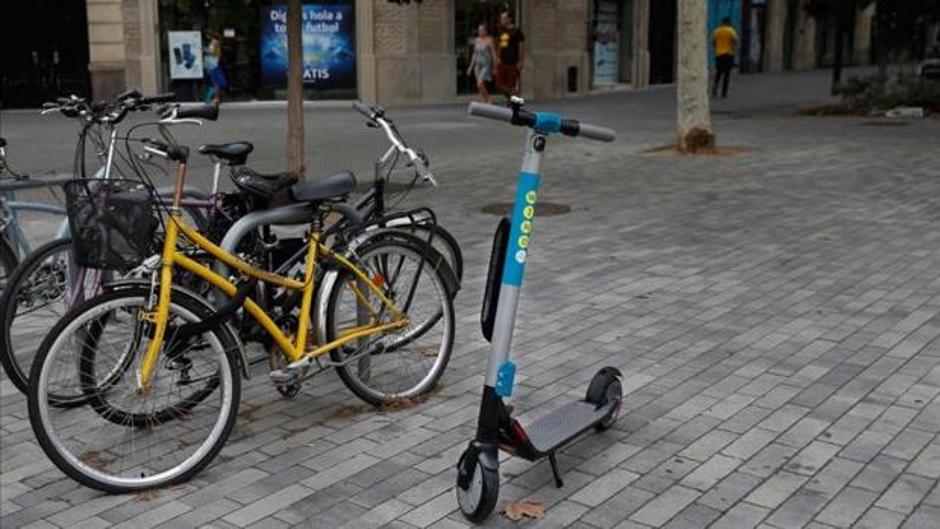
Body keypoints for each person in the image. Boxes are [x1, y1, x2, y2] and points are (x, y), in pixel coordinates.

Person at [495, 11, 525, 98]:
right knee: (499, 84)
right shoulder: (501, 31)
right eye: (501, 18)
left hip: (513, 62)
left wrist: (520, 61)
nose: (502, 20)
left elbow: (521, 46)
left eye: (504, 18)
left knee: (512, 86)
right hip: (502, 62)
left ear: (509, 19)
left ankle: (516, 105)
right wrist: (497, 57)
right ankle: (512, 100)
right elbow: (500, 45)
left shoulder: (516, 31)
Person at [467, 24, 499, 103]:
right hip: (478, 65)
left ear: (485, 31)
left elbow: (493, 53)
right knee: (481, 85)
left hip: (486, 64)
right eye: (479, 30)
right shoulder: (477, 40)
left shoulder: (489, 40)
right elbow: (475, 54)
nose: (480, 32)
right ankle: (483, 100)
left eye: (482, 30)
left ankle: (488, 99)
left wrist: (495, 66)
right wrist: (470, 67)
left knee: (480, 84)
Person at [712, 17, 737, 98]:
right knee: (727, 74)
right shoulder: (731, 31)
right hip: (728, 54)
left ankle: (715, 88)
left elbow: (713, 42)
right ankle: (724, 92)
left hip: (719, 54)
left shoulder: (716, 31)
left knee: (718, 72)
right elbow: (735, 41)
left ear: (722, 22)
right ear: (729, 23)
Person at [203, 30, 226, 105]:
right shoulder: (216, 42)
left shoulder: (214, 42)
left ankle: (216, 98)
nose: (206, 37)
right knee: (215, 82)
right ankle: (216, 98)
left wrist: (203, 49)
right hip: (214, 63)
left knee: (215, 82)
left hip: (213, 64)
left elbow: (212, 52)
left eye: (207, 35)